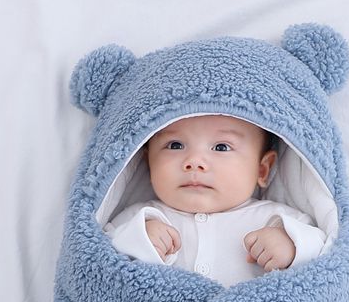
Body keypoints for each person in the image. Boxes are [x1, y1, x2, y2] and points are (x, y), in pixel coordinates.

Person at [104, 114, 326, 287]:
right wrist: (140, 240)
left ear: (262, 169)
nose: (194, 162)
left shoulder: (278, 220)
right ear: (149, 162)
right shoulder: (141, 218)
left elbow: (323, 250)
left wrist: (291, 246)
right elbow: (102, 258)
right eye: (175, 145)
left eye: (221, 147)